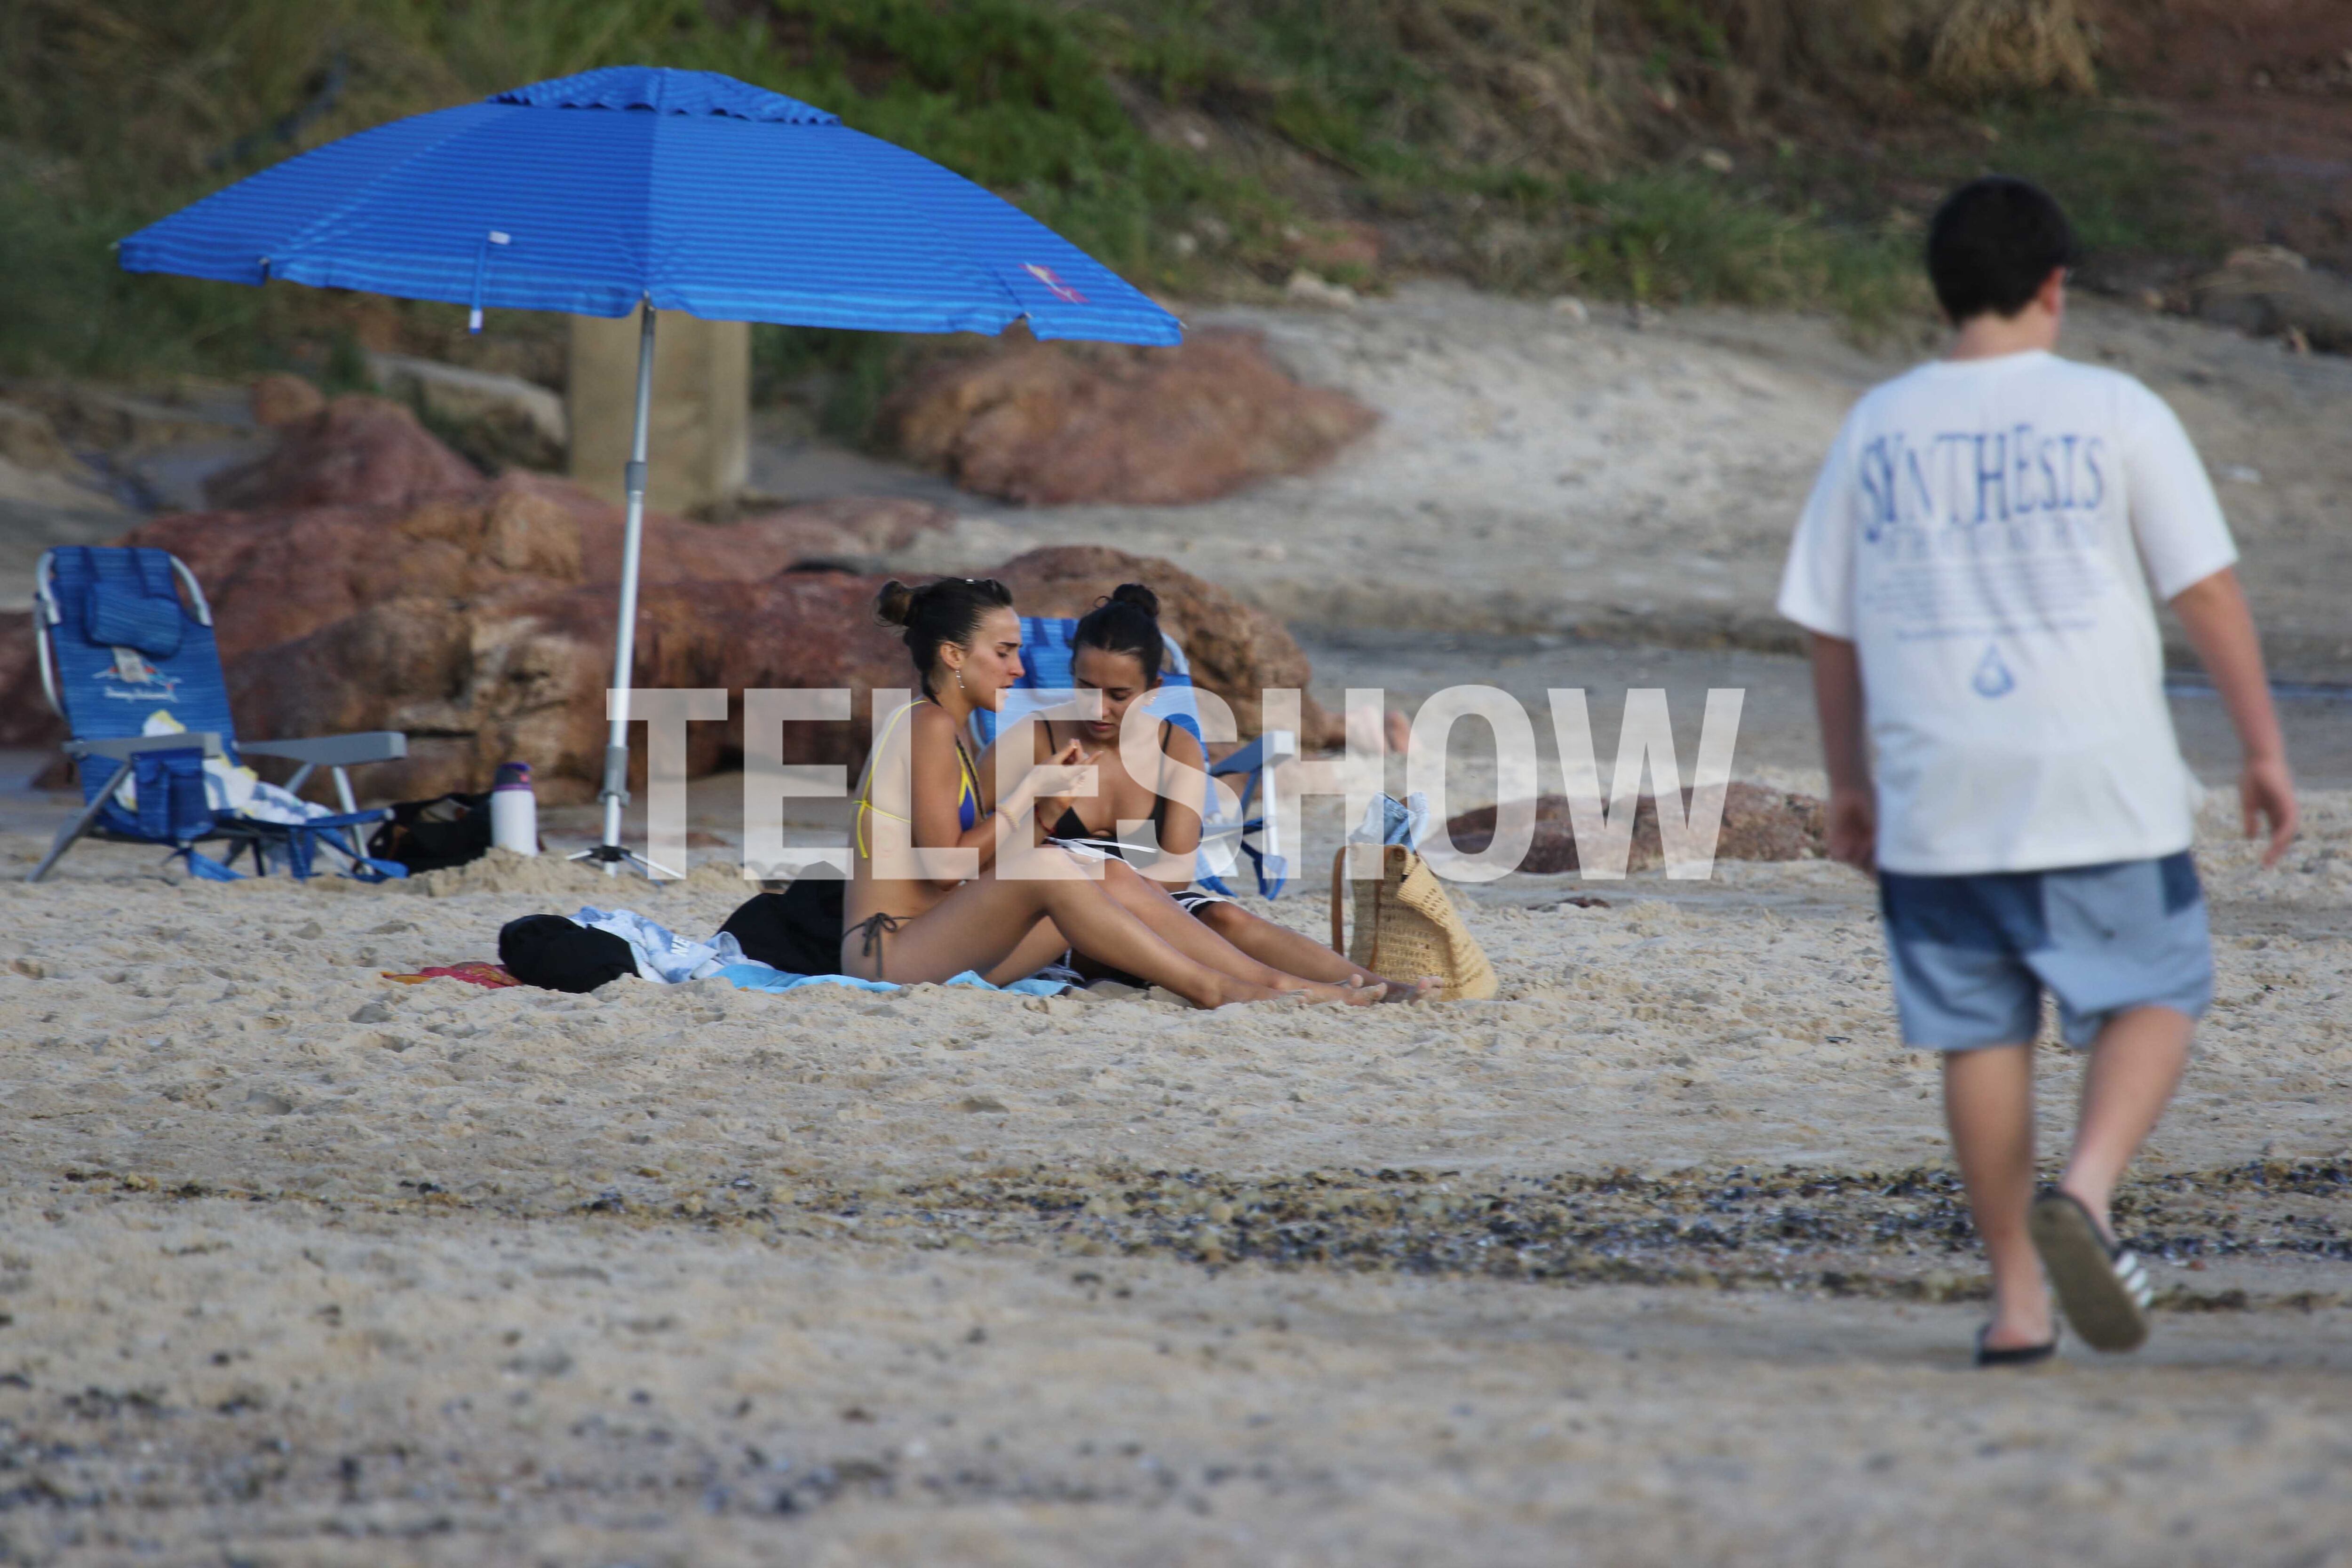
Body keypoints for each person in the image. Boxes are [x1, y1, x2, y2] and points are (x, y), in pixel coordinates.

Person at [1777, 175, 2298, 1365]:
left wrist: (1847, 779)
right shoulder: (2114, 410)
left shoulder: (1878, 424)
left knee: (1979, 1038)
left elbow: (1830, 627)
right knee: (2158, 992)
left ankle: (2017, 1304)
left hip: (1935, 785)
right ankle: (2092, 1189)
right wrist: (2262, 746)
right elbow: (2204, 588)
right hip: (2095, 777)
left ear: (1939, 290)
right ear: (2056, 286)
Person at [842, 577, 1375, 1008]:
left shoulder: (944, 728)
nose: (1019, 669)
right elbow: (945, 868)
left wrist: (1044, 811)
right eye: (1003, 652)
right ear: (954, 656)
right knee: (1058, 866)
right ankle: (1215, 987)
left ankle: (1271, 982)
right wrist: (1030, 792)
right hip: (891, 953)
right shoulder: (927, 727)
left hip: (943, 937)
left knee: (1105, 871)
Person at [1008, 582, 1435, 1002]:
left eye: (1119, 696)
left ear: (1154, 689)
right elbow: (990, 842)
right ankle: (1285, 987)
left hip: (1154, 898)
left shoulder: (1175, 748)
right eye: (1086, 688)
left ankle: (1378, 986)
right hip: (1062, 915)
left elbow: (1176, 871)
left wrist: (1135, 899)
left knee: (1225, 915)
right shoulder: (1036, 738)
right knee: (1146, 915)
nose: (1099, 709)